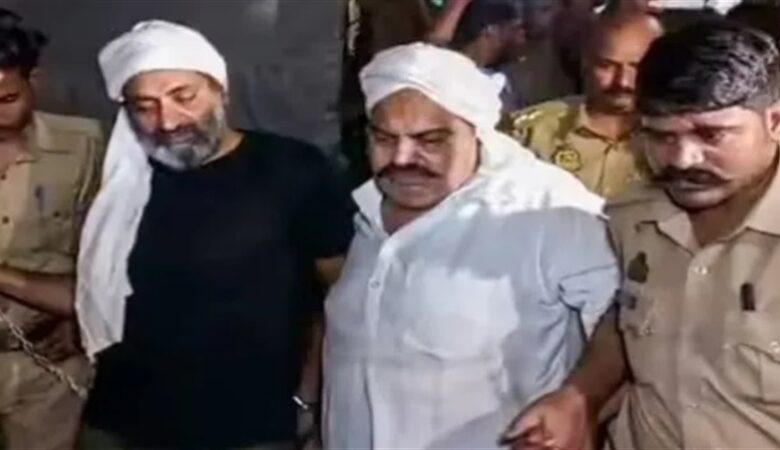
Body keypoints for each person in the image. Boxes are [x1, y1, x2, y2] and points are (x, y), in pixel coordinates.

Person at [322, 42, 620, 449]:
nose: (403, 158)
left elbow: (627, 321)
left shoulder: (547, 210)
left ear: (477, 132)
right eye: (385, 139)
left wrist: (579, 400)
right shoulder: (366, 209)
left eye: (430, 140)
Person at [77, 21, 354, 449]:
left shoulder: (291, 170)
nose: (167, 121)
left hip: (250, 427)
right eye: (144, 106)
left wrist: (310, 395)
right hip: (119, 423)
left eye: (183, 97)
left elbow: (344, 293)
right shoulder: (120, 186)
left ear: (220, 90)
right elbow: (97, 293)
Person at [505, 21, 780, 449]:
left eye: (711, 135)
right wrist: (580, 396)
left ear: (774, 121)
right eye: (660, 136)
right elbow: (626, 322)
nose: (683, 159)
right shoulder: (632, 219)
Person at [0, 9, 103, 450]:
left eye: (6, 99)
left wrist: (84, 322)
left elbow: (106, 261)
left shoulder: (86, 147)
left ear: (35, 80)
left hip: (48, 369)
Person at [504, 12, 662, 198]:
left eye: (637, 67)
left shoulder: (675, 137)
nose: (622, 81)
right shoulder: (529, 132)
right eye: (606, 66)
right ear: (585, 62)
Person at [429, 0, 526, 110]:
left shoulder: (502, 75)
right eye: (516, 28)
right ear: (491, 30)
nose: (522, 36)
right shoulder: (452, 79)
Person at [502, 0, 578, 107]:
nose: (532, 18)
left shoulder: (569, 51)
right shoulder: (505, 53)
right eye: (525, 10)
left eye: (544, 10)